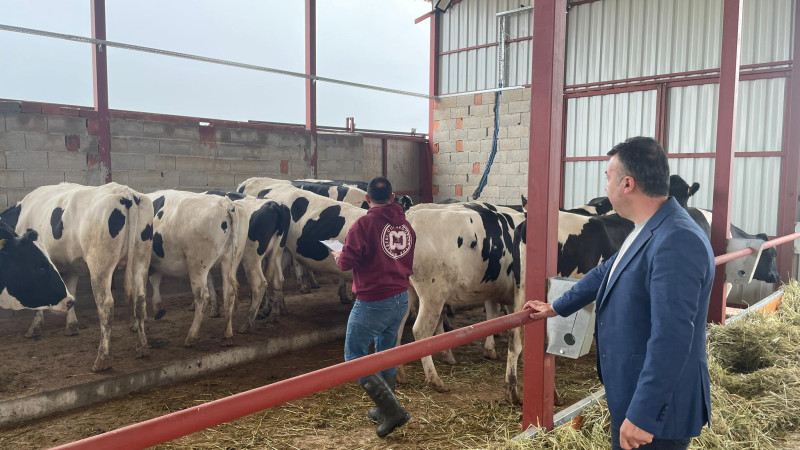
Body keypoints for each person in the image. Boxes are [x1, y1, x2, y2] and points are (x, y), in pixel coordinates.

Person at [526, 137, 714, 450]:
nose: (606, 185)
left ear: (627, 183)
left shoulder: (677, 240)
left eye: (607, 177)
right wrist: (557, 307)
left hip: (657, 414)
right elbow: (607, 271)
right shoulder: (649, 225)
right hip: (632, 391)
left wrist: (643, 414)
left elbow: (672, 337)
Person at [331, 176, 415, 438]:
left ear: (367, 200)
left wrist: (339, 255)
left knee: (354, 355)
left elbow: (347, 263)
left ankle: (392, 410)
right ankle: (384, 407)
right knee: (386, 353)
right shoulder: (406, 226)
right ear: (393, 198)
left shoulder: (363, 224)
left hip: (373, 301)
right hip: (401, 297)